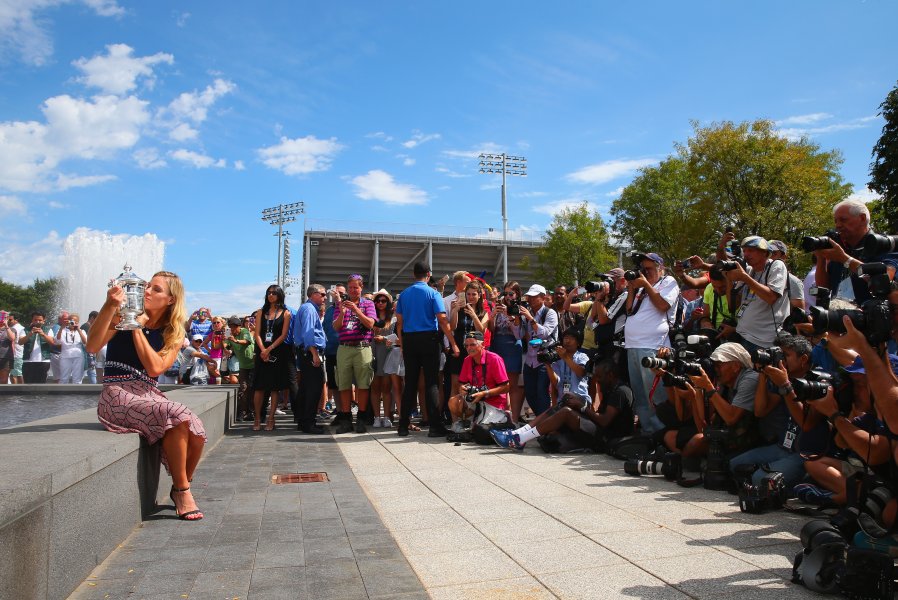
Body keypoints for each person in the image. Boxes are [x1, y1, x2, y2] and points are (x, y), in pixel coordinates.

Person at [86, 271, 206, 521]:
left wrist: (136, 327)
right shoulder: (120, 316)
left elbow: (155, 368)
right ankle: (184, 492)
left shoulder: (173, 332)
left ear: (171, 300)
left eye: (157, 289)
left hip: (148, 394)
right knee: (177, 414)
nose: (147, 291)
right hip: (116, 395)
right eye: (148, 286)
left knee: (196, 429)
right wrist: (110, 305)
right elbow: (92, 346)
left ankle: (178, 486)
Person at [395, 262, 460, 437]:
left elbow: (399, 322)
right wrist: (453, 343)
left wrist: (402, 344)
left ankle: (403, 424)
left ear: (413, 274)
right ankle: (434, 425)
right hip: (429, 339)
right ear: (429, 274)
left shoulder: (404, 294)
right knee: (431, 382)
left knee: (410, 383)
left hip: (409, 340)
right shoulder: (433, 293)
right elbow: (442, 319)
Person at [624, 252, 680, 434]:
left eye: (648, 269)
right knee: (640, 394)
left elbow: (663, 306)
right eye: (642, 269)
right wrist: (632, 288)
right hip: (633, 344)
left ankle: (663, 434)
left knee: (655, 393)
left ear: (660, 267)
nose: (645, 273)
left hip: (654, 345)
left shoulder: (669, 282)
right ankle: (649, 432)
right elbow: (629, 310)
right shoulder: (641, 287)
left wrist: (646, 285)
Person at [725, 236, 789, 353]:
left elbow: (771, 297)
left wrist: (744, 277)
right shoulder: (749, 270)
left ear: (765, 253)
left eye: (751, 250)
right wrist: (728, 279)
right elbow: (732, 306)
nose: (746, 254)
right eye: (744, 251)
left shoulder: (776, 265)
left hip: (763, 342)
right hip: (742, 335)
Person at [333, 273, 377, 433]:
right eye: (350, 287)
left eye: (356, 287)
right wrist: (343, 313)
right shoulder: (341, 305)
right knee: (343, 384)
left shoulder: (368, 304)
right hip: (344, 347)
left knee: (363, 384)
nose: (353, 290)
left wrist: (356, 310)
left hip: (362, 347)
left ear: (361, 287)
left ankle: (361, 418)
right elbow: (336, 327)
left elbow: (371, 323)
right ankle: (345, 419)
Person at [447, 330, 510, 432]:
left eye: (472, 345)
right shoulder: (467, 360)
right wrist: (462, 388)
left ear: (483, 344)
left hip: (493, 401)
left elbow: (506, 387)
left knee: (482, 432)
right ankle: (469, 421)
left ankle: (504, 420)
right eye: (466, 345)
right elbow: (461, 383)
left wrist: (485, 393)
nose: (469, 348)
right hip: (475, 398)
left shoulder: (495, 359)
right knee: (453, 401)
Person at [251, 285, 292, 431]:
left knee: (275, 388)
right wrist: (263, 350)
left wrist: (269, 349)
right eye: (269, 293)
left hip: (276, 352)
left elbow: (283, 334)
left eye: (274, 293)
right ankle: (257, 418)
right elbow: (257, 334)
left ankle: (271, 418)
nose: (271, 295)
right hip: (262, 353)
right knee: (259, 387)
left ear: (280, 295)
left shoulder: (286, 313)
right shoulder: (261, 312)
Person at [488, 281, 525, 424]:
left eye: (511, 293)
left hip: (512, 346)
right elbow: (492, 329)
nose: (508, 296)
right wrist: (492, 315)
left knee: (512, 385)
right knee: (497, 383)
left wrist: (509, 316)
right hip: (497, 345)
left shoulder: (520, 308)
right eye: (506, 293)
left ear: (517, 294)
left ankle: (514, 419)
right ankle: (498, 417)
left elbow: (519, 334)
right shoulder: (498, 306)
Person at [520, 284, 559, 419]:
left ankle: (544, 424)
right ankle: (541, 421)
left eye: (534, 296)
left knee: (542, 392)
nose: (530, 299)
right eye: (529, 296)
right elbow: (519, 335)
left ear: (543, 298)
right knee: (530, 393)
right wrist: (515, 321)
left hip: (545, 360)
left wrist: (530, 319)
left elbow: (545, 333)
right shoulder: (526, 314)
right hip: (530, 360)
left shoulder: (550, 313)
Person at [293, 284, 327, 434]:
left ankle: (303, 421)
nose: (325, 297)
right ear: (313, 294)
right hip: (309, 352)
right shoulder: (309, 309)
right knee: (313, 388)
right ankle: (308, 422)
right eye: (322, 294)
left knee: (307, 388)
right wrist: (314, 353)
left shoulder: (308, 308)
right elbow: (308, 333)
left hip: (306, 352)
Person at [447, 281, 489, 398]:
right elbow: (453, 327)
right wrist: (454, 310)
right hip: (459, 349)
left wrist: (474, 315)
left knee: (474, 384)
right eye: (468, 294)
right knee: (455, 385)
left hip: (475, 352)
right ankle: (455, 415)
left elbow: (481, 331)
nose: (471, 297)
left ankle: (470, 414)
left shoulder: (483, 312)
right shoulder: (460, 310)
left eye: (474, 294)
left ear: (479, 295)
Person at [371, 289, 398, 428]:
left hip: (388, 353)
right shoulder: (370, 316)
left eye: (383, 301)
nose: (380, 303)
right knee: (375, 387)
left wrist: (385, 338)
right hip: (373, 353)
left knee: (387, 388)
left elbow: (398, 337)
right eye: (377, 300)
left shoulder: (394, 317)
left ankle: (387, 416)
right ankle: (376, 417)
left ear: (388, 302)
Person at [223, 316, 255, 422]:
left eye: (234, 327)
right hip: (243, 366)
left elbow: (247, 341)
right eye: (230, 327)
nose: (232, 329)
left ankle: (251, 412)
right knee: (243, 389)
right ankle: (241, 413)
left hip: (253, 365)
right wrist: (224, 342)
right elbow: (225, 346)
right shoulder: (230, 335)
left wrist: (235, 340)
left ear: (239, 326)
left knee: (252, 389)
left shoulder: (244, 331)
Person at [21, 311, 54, 383]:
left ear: (43, 321)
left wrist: (43, 334)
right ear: (32, 320)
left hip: (44, 360)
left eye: (40, 320)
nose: (37, 322)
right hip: (28, 360)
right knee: (28, 382)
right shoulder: (25, 330)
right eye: (35, 320)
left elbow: (52, 342)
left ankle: (40, 395)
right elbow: (20, 342)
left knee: (41, 382)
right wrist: (30, 333)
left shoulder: (48, 330)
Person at [54, 313, 87, 383]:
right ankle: (62, 393)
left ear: (78, 322)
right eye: (71, 321)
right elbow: (57, 341)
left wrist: (78, 329)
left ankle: (77, 393)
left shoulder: (81, 331)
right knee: (64, 377)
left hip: (78, 355)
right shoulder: (62, 330)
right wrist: (61, 328)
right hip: (65, 354)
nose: (72, 323)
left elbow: (85, 342)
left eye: (75, 321)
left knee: (77, 377)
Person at [7, 313, 25, 383]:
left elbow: (12, 339)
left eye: (10, 319)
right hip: (14, 354)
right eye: (7, 319)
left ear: (16, 320)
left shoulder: (16, 328)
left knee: (15, 375)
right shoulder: (17, 327)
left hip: (16, 355)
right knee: (16, 374)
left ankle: (18, 391)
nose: (8, 321)